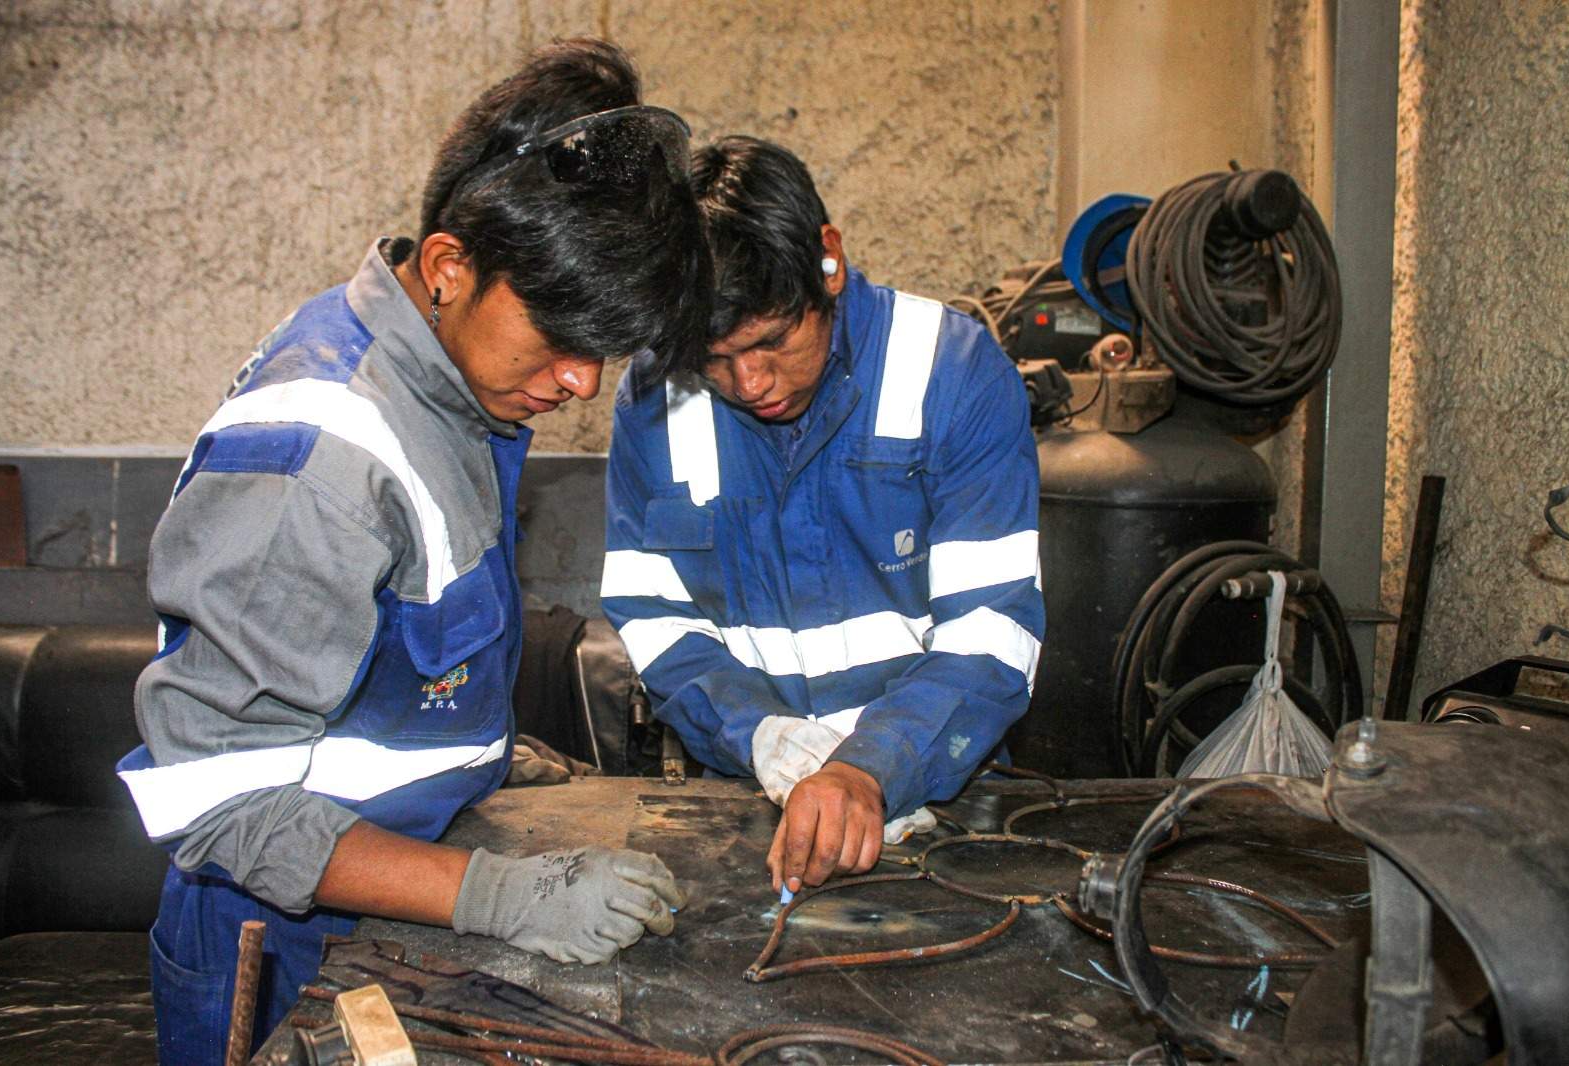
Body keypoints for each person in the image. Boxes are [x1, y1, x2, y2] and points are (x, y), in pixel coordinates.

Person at [116, 39, 707, 1064]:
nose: (580, 385)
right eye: (560, 342)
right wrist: (496, 892)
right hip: (282, 950)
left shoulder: (452, 374)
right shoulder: (316, 464)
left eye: (602, 353)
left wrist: (489, 758)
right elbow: (216, 805)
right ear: (447, 266)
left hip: (391, 899)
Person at [601, 136, 1044, 898]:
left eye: (775, 340)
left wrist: (874, 766)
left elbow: (992, 628)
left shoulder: (954, 372)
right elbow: (655, 617)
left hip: (942, 795)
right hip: (743, 795)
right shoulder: (653, 403)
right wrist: (760, 736)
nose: (751, 381)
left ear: (827, 261)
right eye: (714, 358)